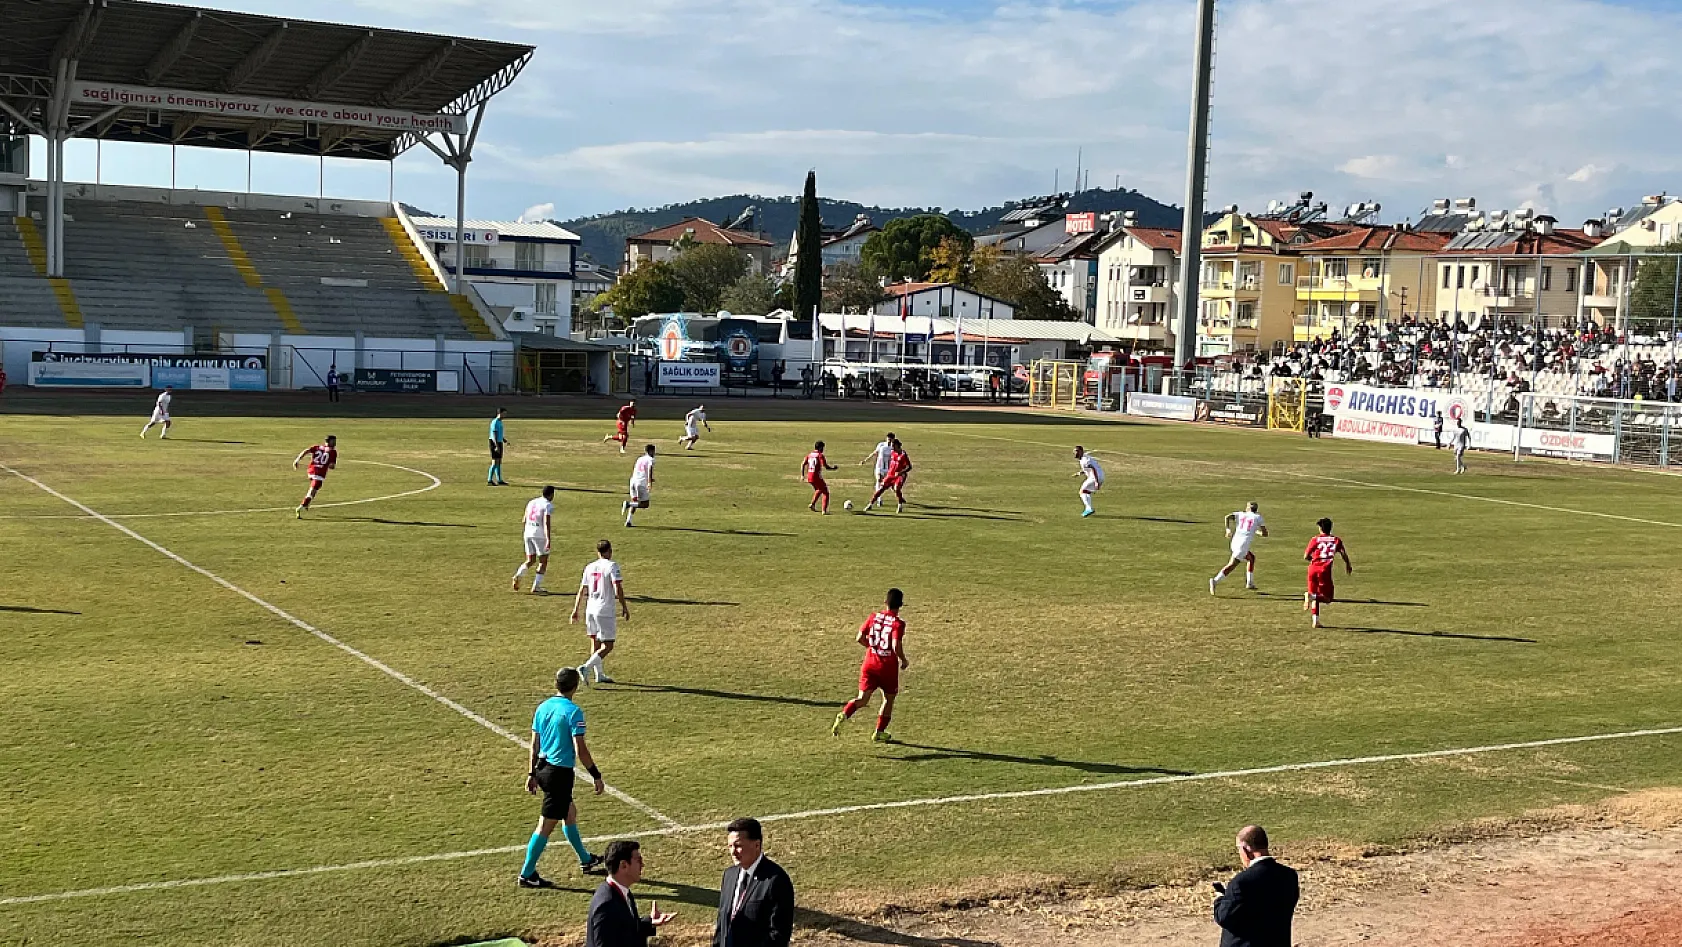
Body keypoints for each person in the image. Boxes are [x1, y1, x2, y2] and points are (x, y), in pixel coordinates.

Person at [518, 667, 606, 888]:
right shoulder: (573, 712)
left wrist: (531, 773)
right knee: (545, 825)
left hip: (542, 769)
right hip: (559, 774)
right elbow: (581, 750)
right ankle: (527, 874)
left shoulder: (543, 707)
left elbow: (534, 744)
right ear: (575, 686)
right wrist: (596, 774)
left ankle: (586, 860)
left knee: (570, 813)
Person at [831, 588, 909, 743]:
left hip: (870, 664)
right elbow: (895, 646)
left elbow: (859, 637)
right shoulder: (898, 624)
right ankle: (879, 732)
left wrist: (872, 648)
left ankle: (844, 714)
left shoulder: (874, 617)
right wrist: (903, 659)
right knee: (888, 699)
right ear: (900, 605)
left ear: (885, 602)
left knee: (862, 699)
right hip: (887, 668)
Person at [1212, 825, 1299, 947]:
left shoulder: (1241, 882)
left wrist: (1220, 899)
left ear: (1246, 850)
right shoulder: (1289, 876)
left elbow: (1224, 917)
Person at [713, 818, 795, 947]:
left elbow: (778, 934)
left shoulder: (776, 880)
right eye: (730, 846)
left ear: (757, 845)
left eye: (738, 846)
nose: (733, 852)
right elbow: (722, 923)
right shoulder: (729, 875)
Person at [587, 840, 676, 947]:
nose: (642, 864)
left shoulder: (623, 892)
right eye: (638, 860)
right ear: (624, 865)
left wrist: (650, 922)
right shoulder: (606, 905)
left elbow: (625, 930)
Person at [572, 539, 630, 685]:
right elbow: (618, 588)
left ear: (597, 552)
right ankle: (586, 667)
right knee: (608, 645)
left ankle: (599, 675)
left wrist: (575, 609)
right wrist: (624, 606)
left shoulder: (589, 567)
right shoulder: (612, 566)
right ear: (609, 551)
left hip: (590, 608)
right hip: (604, 610)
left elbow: (582, 590)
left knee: (595, 641)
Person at [1303, 517, 1352, 629]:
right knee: (1328, 598)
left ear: (1321, 528)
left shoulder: (1315, 539)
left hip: (1312, 569)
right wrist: (1348, 564)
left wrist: (1314, 560)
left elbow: (1306, 556)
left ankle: (1315, 621)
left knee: (1314, 595)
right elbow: (1343, 553)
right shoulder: (1336, 540)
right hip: (1324, 570)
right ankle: (1311, 598)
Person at [1211, 501, 1268, 594]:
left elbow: (1227, 517)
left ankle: (1250, 582)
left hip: (1234, 542)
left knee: (1251, 558)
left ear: (1248, 508)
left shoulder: (1240, 514)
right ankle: (1215, 581)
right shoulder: (1258, 517)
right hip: (1243, 545)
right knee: (1232, 565)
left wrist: (1228, 529)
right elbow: (1265, 534)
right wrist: (1257, 532)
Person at [513, 486, 555, 594]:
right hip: (539, 535)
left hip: (528, 532)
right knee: (543, 561)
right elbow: (546, 522)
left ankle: (518, 575)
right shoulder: (548, 505)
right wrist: (548, 539)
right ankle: (536, 586)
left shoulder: (532, 502)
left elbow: (524, 519)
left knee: (530, 560)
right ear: (551, 494)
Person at [291, 434, 337, 518]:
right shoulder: (332, 452)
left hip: (311, 471)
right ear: (329, 441)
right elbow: (332, 466)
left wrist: (297, 460)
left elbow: (306, 450)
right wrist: (327, 464)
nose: (335, 443)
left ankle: (306, 504)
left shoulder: (317, 447)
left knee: (314, 490)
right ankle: (301, 507)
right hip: (319, 474)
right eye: (333, 441)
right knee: (312, 491)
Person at [866, 439, 911, 514]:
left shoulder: (903, 455)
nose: (891, 447)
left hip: (899, 475)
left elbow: (909, 467)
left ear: (897, 445)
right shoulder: (892, 453)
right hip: (890, 474)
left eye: (893, 446)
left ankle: (900, 505)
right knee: (881, 488)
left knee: (897, 489)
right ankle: (870, 504)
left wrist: (900, 472)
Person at [859, 432, 895, 509]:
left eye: (890, 439)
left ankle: (898, 496)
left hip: (888, 469)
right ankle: (879, 499)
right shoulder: (881, 445)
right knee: (878, 480)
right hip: (879, 467)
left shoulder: (893, 448)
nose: (889, 441)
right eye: (888, 439)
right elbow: (874, 453)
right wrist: (865, 460)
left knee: (887, 484)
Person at [622, 444, 655, 527]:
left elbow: (638, 470)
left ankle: (628, 521)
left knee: (635, 502)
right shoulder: (651, 459)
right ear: (651, 451)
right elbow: (650, 469)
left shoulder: (640, 458)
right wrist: (649, 482)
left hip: (633, 481)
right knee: (645, 504)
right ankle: (628, 504)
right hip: (640, 483)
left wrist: (648, 479)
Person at [802, 440, 837, 514]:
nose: (823, 450)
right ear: (820, 448)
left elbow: (803, 464)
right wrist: (833, 468)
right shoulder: (820, 455)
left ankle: (812, 504)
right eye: (823, 448)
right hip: (816, 476)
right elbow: (825, 466)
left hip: (809, 476)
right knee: (825, 492)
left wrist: (802, 475)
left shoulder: (810, 455)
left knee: (819, 489)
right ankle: (824, 510)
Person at [1073, 445, 1104, 518]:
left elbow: (1093, 469)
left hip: (1095, 477)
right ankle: (1088, 508)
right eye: (1074, 451)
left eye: (1077, 451)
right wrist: (1079, 473)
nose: (1075, 453)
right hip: (1099, 476)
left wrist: (1096, 482)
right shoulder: (1084, 458)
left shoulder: (1085, 460)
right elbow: (1087, 469)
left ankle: (1089, 508)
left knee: (1082, 491)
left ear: (1081, 452)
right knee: (1086, 491)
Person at [488, 407, 511, 486]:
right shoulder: (495, 422)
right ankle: (489, 480)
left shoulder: (500, 422)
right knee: (494, 462)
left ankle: (499, 480)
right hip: (494, 443)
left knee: (499, 462)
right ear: (500, 413)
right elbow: (494, 434)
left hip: (499, 442)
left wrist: (504, 440)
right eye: (504, 413)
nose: (505, 415)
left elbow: (499, 434)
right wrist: (496, 445)